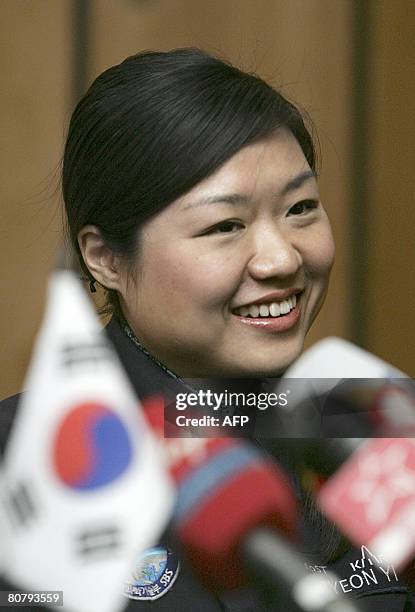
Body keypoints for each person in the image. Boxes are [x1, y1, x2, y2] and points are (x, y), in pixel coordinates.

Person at [1, 48, 413, 611]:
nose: (280, 259)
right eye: (225, 225)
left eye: (300, 208)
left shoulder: (370, 423)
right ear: (106, 259)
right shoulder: (24, 465)